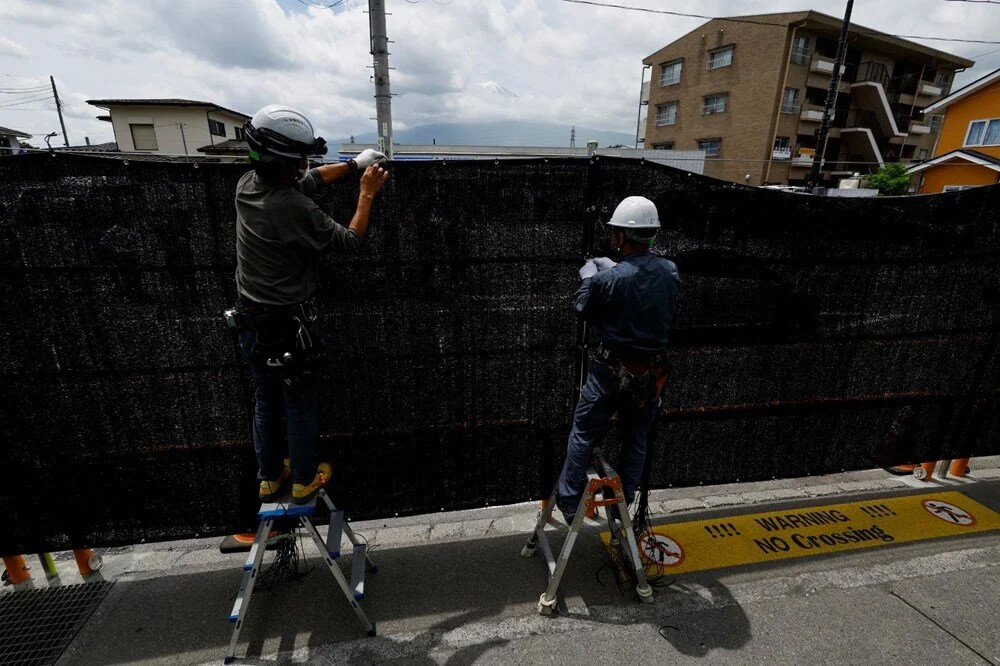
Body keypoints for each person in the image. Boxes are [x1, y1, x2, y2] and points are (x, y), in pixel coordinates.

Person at [233, 104, 389, 505]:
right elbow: (349, 240)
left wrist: (353, 164)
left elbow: (311, 180)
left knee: (265, 400)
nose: (305, 165)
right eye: (298, 160)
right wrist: (367, 192)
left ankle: (269, 477)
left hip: (251, 317)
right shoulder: (290, 207)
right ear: (281, 164)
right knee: (298, 401)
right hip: (289, 323)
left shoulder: (249, 184)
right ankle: (303, 478)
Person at [555, 196, 680, 522]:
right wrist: (618, 268)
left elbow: (582, 308)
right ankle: (620, 506)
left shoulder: (605, 281)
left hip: (609, 372)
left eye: (616, 233)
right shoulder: (670, 271)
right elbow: (647, 278)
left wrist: (589, 277)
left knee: (583, 432)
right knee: (635, 438)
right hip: (649, 374)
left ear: (623, 236)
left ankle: (569, 504)